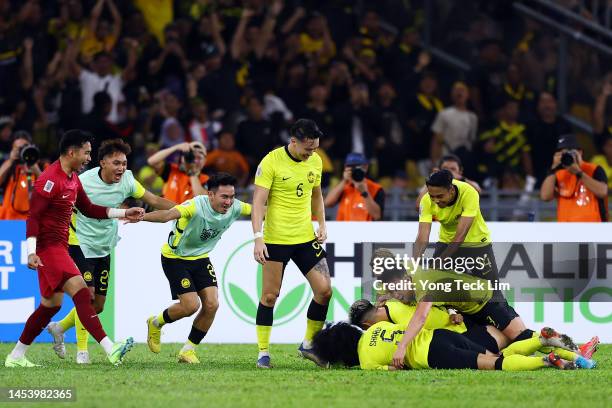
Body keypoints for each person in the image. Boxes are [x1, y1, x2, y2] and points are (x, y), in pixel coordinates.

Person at [4, 130, 142, 368]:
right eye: (86, 153)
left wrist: (122, 213)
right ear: (72, 152)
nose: (89, 158)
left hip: (60, 247)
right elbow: (33, 217)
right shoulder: (49, 180)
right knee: (82, 293)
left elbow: (89, 209)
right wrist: (31, 251)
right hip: (49, 249)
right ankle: (111, 348)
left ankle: (15, 356)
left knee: (51, 306)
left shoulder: (72, 178)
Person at [392, 169, 538, 369]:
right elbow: (422, 239)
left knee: (503, 313)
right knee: (445, 297)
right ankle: (488, 345)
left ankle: (537, 341)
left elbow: (460, 237)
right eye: (432, 196)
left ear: (451, 190)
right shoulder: (428, 199)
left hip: (477, 248)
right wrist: (413, 268)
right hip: (445, 245)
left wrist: (437, 266)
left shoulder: (469, 193)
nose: (435, 201)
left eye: (440, 196)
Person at [46, 139, 175, 364]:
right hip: (80, 244)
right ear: (102, 162)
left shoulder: (127, 180)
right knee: (86, 296)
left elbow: (153, 200)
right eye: (116, 163)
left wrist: (184, 208)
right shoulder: (83, 181)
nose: (121, 168)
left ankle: (59, 327)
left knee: (98, 305)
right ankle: (82, 352)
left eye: (124, 163)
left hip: (104, 246)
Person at [143, 173, 251, 363]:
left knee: (212, 304)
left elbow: (261, 209)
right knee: (191, 306)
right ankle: (155, 322)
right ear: (210, 195)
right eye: (224, 197)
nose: (229, 202)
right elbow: (167, 215)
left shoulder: (236, 207)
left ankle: (188, 351)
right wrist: (141, 216)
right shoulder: (195, 205)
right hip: (175, 258)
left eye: (232, 197)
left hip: (200, 258)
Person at [252, 118, 331, 368]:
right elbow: (258, 203)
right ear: (293, 141)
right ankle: (263, 352)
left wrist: (322, 223)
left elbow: (316, 195)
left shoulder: (316, 161)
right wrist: (258, 238)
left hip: (305, 237)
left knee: (325, 291)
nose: (312, 154)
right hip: (276, 239)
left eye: (315, 148)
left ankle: (308, 344)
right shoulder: (271, 161)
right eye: (308, 149)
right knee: (269, 296)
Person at [311, 321, 580, 371]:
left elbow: (395, 369)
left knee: (494, 364)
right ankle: (540, 340)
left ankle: (546, 360)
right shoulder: (377, 328)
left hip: (434, 354)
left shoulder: (368, 362)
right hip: (439, 336)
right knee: (497, 354)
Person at [540, 134, 608, 222]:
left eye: (570, 152)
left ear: (580, 152)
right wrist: (553, 169)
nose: (566, 156)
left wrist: (579, 173)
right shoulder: (558, 174)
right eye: (562, 153)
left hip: (592, 229)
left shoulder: (594, 169)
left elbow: (602, 192)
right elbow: (545, 197)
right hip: (566, 229)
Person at [430, 82, 478, 174]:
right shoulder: (444, 114)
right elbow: (436, 140)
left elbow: (472, 142)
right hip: (446, 160)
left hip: (464, 162)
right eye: (456, 90)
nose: (459, 93)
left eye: (462, 90)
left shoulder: (473, 117)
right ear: (452, 94)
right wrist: (434, 162)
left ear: (468, 94)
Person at [324, 152, 385, 221]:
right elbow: (327, 203)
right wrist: (344, 181)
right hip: (344, 230)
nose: (354, 170)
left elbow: (377, 215)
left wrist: (365, 193)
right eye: (350, 166)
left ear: (365, 167)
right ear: (345, 168)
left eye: (357, 166)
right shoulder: (343, 187)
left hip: (366, 230)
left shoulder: (376, 188)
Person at [415, 154, 480, 210]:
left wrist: (462, 179)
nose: (449, 172)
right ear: (438, 170)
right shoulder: (429, 186)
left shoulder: (466, 184)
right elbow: (419, 206)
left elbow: (478, 191)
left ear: (460, 171)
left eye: (453, 169)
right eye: (445, 169)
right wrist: (432, 180)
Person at [0, 131, 42, 220]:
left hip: (32, 222)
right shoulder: (9, 167)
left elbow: (50, 189)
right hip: (8, 222)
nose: (21, 151)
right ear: (12, 149)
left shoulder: (40, 166)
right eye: (17, 148)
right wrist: (10, 160)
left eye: (24, 147)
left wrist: (35, 168)